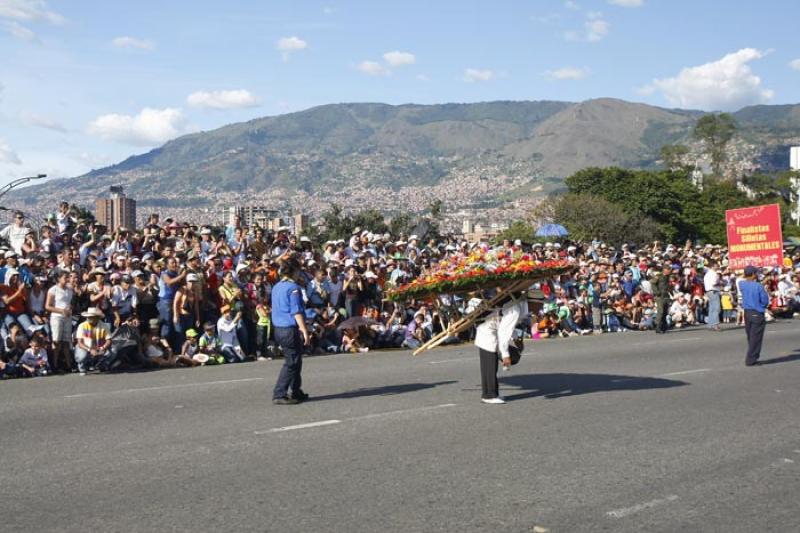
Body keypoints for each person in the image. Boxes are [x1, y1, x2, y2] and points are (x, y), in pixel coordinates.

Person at [271, 258, 310, 405]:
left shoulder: (276, 287)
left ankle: (296, 391)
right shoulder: (293, 288)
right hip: (289, 328)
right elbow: (296, 311)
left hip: (278, 328)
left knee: (296, 360)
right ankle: (279, 393)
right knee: (291, 362)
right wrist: (304, 330)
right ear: (294, 271)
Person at [740, 265, 770, 366]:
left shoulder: (742, 284)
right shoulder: (758, 286)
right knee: (756, 337)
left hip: (747, 312)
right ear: (753, 274)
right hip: (757, 311)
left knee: (750, 336)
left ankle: (751, 355)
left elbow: (742, 279)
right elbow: (765, 300)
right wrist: (761, 306)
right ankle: (751, 359)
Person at [653, 264, 672, 334]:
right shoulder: (659, 276)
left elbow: (667, 286)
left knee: (665, 312)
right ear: (665, 270)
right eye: (669, 269)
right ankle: (657, 327)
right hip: (659, 296)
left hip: (665, 296)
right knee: (660, 311)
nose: (670, 271)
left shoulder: (667, 277)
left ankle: (663, 326)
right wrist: (656, 292)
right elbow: (652, 283)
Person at [704, 260, 721, 331]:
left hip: (709, 291)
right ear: (713, 266)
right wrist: (720, 283)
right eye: (717, 265)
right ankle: (715, 324)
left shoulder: (707, 273)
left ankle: (710, 324)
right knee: (716, 308)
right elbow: (714, 283)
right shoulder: (714, 273)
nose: (718, 266)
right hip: (713, 291)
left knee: (711, 308)